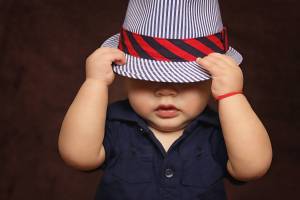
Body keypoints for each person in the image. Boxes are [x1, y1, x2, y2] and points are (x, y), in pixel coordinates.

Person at [58, 0, 273, 199]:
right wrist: (94, 84)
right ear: (125, 78)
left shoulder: (221, 132)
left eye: (187, 81)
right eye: (149, 78)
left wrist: (232, 96)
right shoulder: (114, 125)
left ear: (211, 82)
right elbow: (77, 155)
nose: (166, 91)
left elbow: (253, 167)